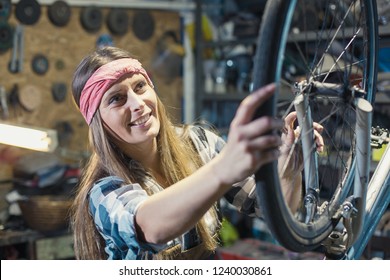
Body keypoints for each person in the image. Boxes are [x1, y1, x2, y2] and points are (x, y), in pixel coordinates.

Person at [70, 46, 324, 260]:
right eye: (116, 99)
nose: (137, 104)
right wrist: (223, 168)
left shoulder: (198, 142)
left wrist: (290, 167)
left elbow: (272, 212)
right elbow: (149, 228)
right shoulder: (104, 191)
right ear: (98, 121)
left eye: (140, 86)